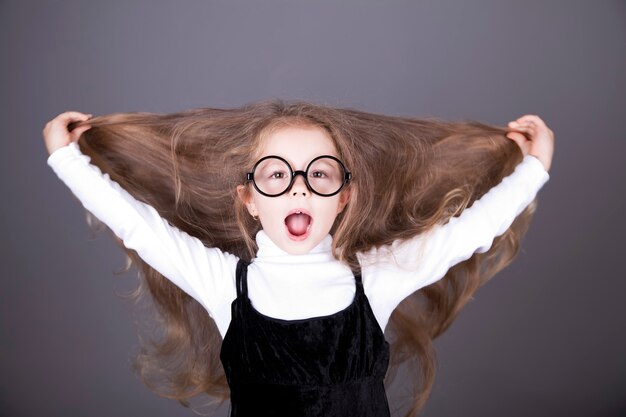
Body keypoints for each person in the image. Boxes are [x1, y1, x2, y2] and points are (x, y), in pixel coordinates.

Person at [43, 101, 553, 417]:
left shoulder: (374, 279)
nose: (298, 191)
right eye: (276, 175)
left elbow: (468, 233)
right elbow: (137, 225)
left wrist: (534, 166)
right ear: (250, 198)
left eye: (320, 175)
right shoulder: (225, 283)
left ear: (344, 197)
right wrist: (65, 157)